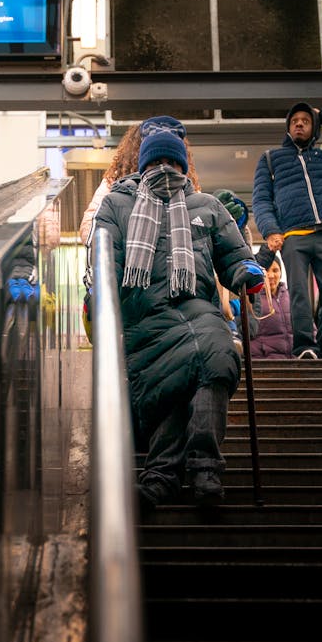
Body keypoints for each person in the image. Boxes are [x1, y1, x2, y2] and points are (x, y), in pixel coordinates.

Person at [92, 121, 265, 510]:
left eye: (174, 161)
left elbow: (234, 255)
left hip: (199, 309)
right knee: (167, 385)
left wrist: (245, 272)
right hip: (146, 315)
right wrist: (101, 297)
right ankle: (162, 477)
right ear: (144, 164)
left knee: (218, 359)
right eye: (159, 161)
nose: (166, 168)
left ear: (185, 166)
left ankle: (204, 468)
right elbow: (105, 260)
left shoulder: (207, 206)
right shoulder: (117, 204)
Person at [251, 102, 322, 359]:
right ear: (288, 128)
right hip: (294, 236)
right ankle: (303, 348)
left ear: (314, 127)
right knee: (300, 293)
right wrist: (270, 230)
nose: (299, 123)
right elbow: (261, 199)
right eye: (294, 121)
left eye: (305, 120)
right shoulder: (271, 159)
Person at [78, 116, 200, 244]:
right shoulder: (114, 183)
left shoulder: (113, 182)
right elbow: (90, 228)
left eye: (171, 162)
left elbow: (90, 228)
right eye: (156, 162)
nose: (163, 167)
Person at [247, 253, 293, 360]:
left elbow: (306, 324)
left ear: (281, 273)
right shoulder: (251, 298)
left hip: (293, 362)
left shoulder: (291, 296)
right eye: (266, 270)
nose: (271, 275)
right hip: (264, 363)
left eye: (275, 270)